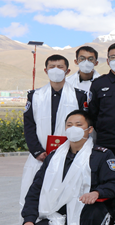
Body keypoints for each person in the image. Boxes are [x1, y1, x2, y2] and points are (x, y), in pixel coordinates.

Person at [13, 110, 115, 225]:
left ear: (89, 129)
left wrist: (97, 193)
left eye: (79, 125)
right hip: (58, 216)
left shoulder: (102, 155)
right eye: (69, 125)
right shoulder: (54, 157)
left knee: (94, 215)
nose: (73, 128)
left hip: (88, 214)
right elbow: (36, 189)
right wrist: (29, 220)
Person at [21, 54, 89, 209]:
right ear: (46, 70)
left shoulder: (79, 96)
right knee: (35, 194)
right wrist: (37, 151)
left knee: (67, 196)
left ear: (67, 70)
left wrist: (75, 151)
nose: (56, 70)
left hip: (70, 154)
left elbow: (84, 126)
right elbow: (29, 125)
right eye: (52, 67)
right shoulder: (35, 95)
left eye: (60, 67)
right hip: (41, 155)